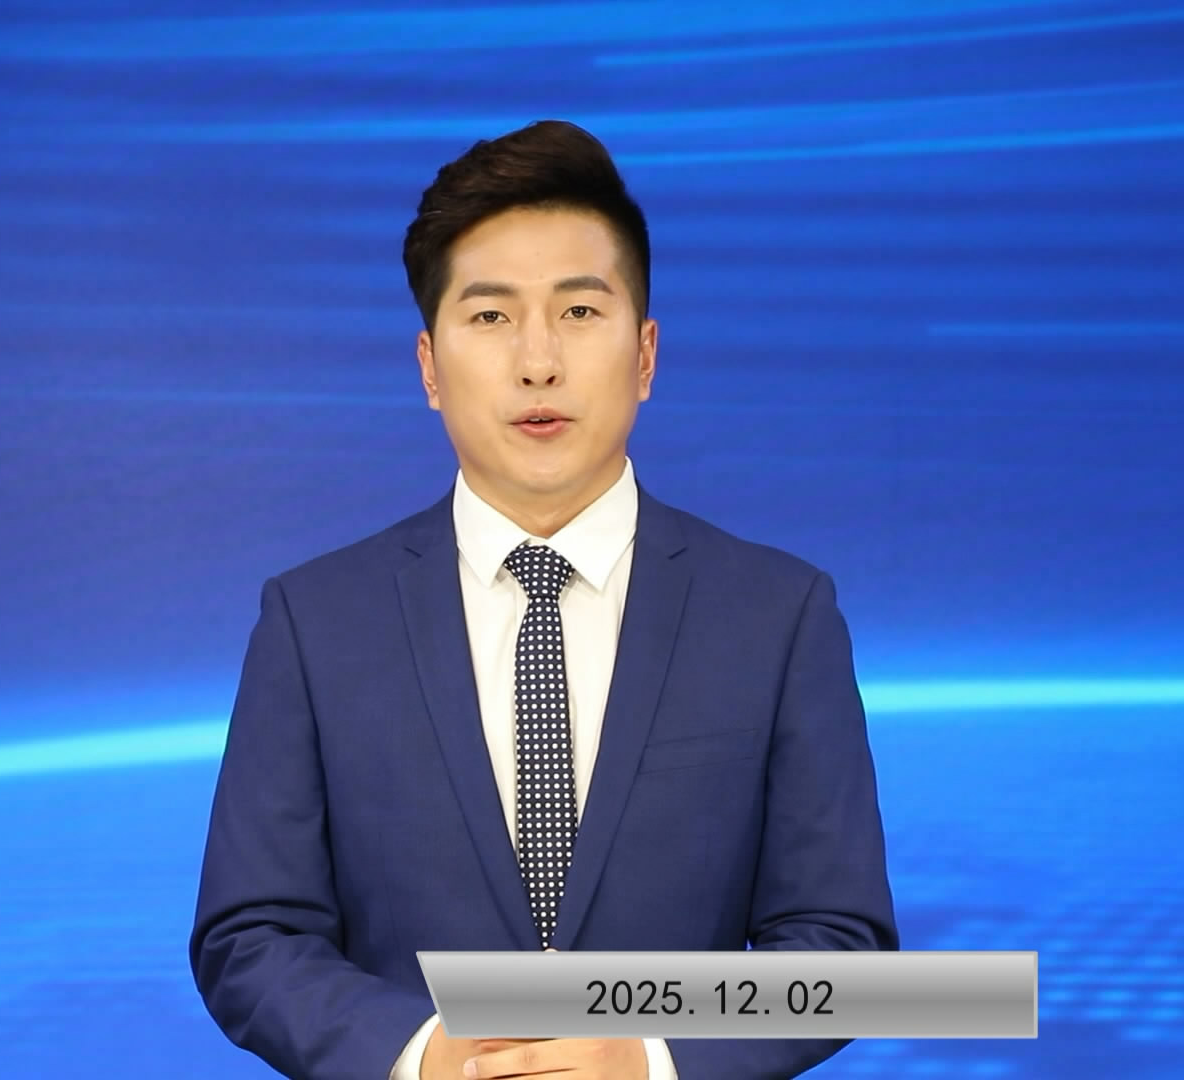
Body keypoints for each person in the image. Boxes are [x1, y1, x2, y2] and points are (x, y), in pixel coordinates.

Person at [189, 119, 898, 1080]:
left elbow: (842, 950)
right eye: (490, 317)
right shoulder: (314, 625)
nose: (538, 362)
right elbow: (251, 936)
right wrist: (424, 1052)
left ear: (645, 355)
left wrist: (649, 1053)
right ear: (429, 368)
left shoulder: (779, 616)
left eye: (580, 311)